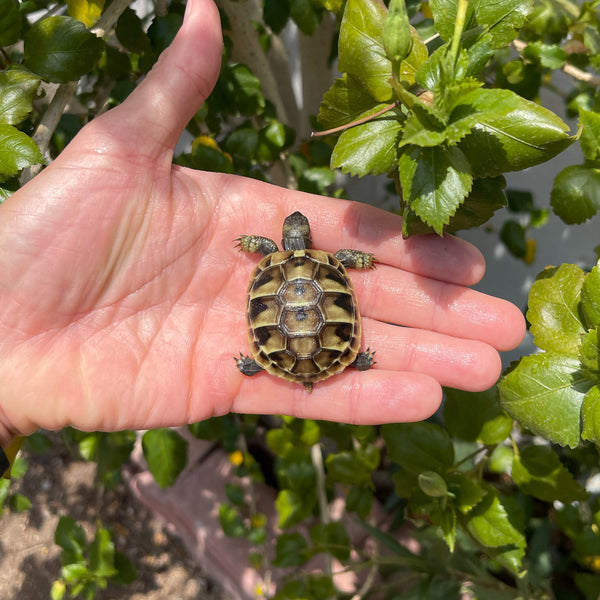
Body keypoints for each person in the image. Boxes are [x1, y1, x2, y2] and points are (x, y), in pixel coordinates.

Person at [0, 0, 525, 460]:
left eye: (287, 232)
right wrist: (358, 267)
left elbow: (309, 261)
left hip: (283, 341)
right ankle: (335, 364)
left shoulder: (268, 258)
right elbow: (348, 263)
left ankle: (292, 365)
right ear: (302, 242)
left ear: (284, 242)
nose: (293, 231)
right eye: (293, 230)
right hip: (315, 340)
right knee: (346, 331)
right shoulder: (327, 261)